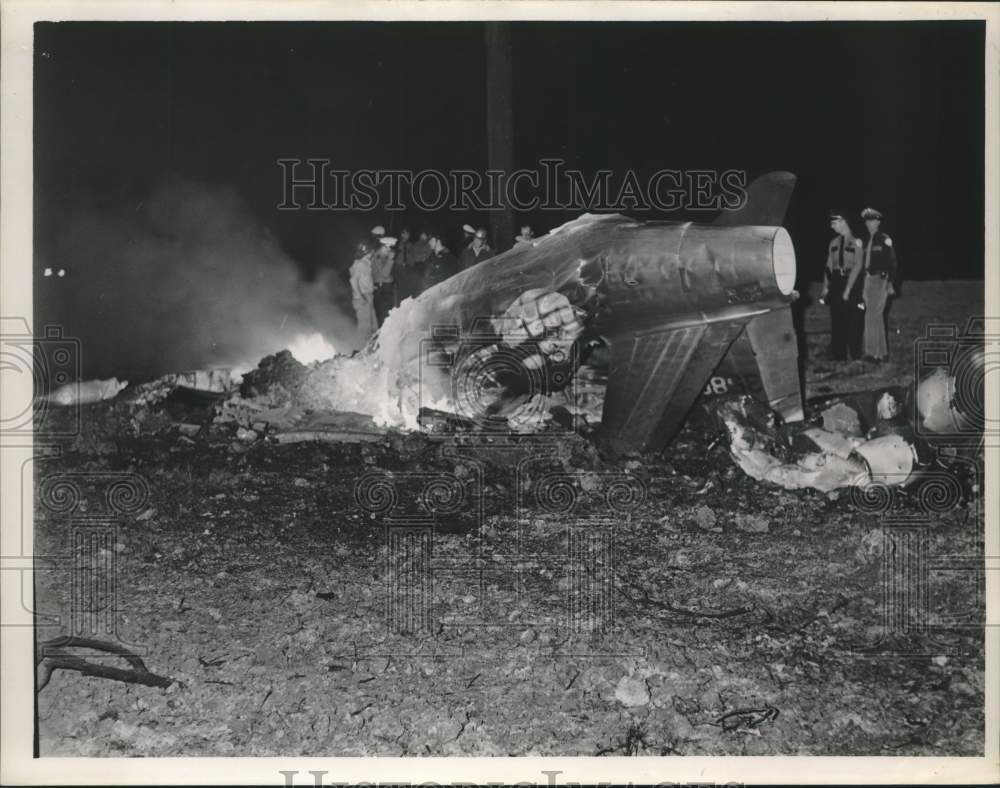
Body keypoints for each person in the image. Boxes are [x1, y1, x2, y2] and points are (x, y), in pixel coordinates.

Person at [820, 210, 865, 361]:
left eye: (834, 223)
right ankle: (839, 356)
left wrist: (848, 289)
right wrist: (825, 287)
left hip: (853, 281)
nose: (832, 226)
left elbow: (858, 266)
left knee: (854, 319)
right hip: (836, 282)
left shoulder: (857, 242)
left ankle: (855, 355)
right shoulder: (833, 243)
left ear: (843, 222)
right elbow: (828, 266)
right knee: (837, 318)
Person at [859, 207, 899, 363]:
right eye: (867, 221)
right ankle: (881, 353)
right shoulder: (866, 241)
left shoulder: (884, 239)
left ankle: (873, 353)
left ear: (878, 222)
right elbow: (863, 264)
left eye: (872, 220)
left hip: (880, 280)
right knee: (875, 316)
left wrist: (890, 283)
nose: (869, 224)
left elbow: (893, 262)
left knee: (872, 315)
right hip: (868, 280)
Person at [350, 241, 377, 345]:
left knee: (373, 325)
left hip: (367, 296)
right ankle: (362, 348)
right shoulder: (360, 264)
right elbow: (353, 280)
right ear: (368, 252)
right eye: (371, 251)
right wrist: (360, 297)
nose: (373, 253)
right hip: (363, 297)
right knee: (365, 327)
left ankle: (372, 347)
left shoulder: (365, 263)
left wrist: (371, 287)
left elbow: (362, 279)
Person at [394, 228, 430, 302]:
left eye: (408, 234)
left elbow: (412, 256)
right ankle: (398, 302)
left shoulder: (410, 245)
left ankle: (406, 301)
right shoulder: (396, 243)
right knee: (398, 286)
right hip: (398, 266)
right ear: (402, 234)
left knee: (406, 286)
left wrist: (412, 264)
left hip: (408, 267)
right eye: (405, 234)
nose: (407, 236)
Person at [371, 236, 397, 326]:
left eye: (390, 248)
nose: (389, 250)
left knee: (387, 312)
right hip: (381, 288)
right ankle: (383, 331)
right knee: (383, 314)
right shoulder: (378, 257)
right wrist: (390, 259)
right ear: (383, 246)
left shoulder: (383, 255)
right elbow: (384, 274)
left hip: (385, 287)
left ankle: (386, 329)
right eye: (388, 248)